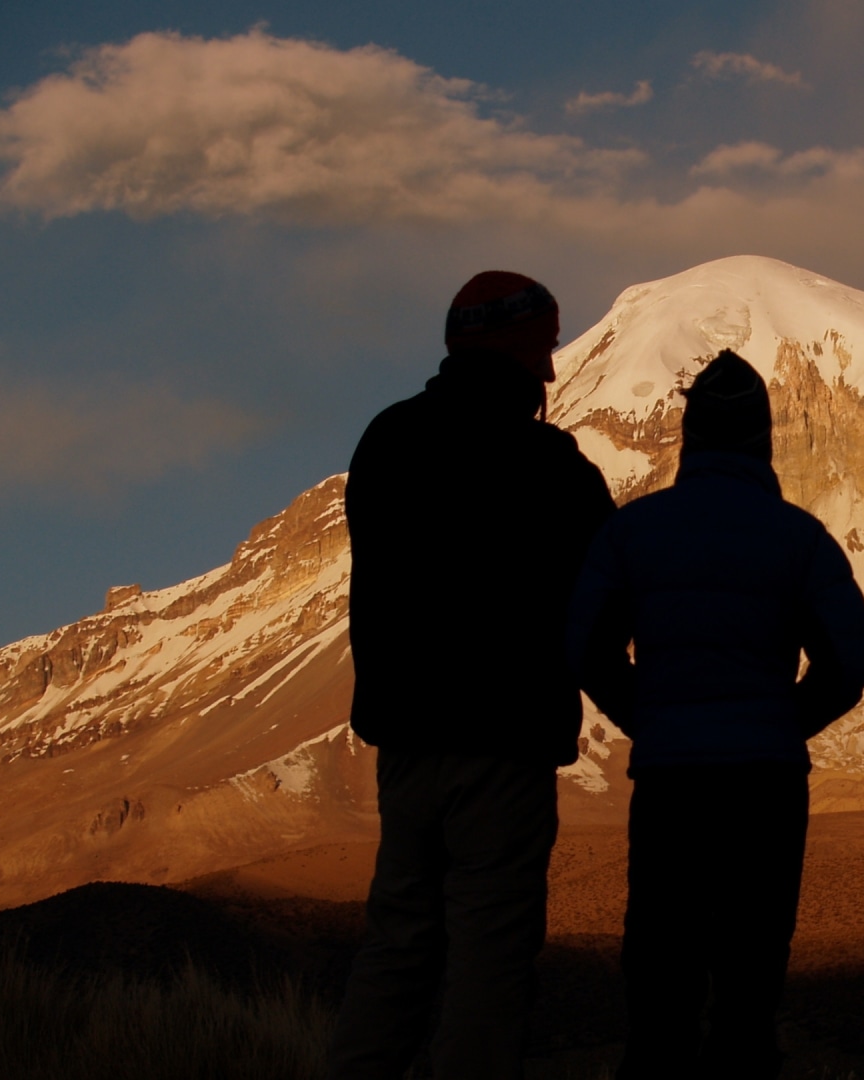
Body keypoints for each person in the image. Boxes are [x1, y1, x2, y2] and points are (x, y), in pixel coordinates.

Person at [328, 272, 617, 1080]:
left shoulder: (387, 441)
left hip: (409, 747)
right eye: (547, 348)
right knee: (490, 954)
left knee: (397, 941)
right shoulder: (547, 463)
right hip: (505, 743)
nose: (552, 370)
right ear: (527, 351)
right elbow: (607, 587)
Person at [566, 349, 864, 1079]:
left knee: (662, 962)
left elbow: (585, 645)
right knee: (751, 964)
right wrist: (781, 719)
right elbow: (851, 660)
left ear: (690, 436)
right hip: (765, 783)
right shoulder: (800, 538)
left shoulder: (632, 532)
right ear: (763, 440)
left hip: (673, 777)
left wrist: (653, 715)